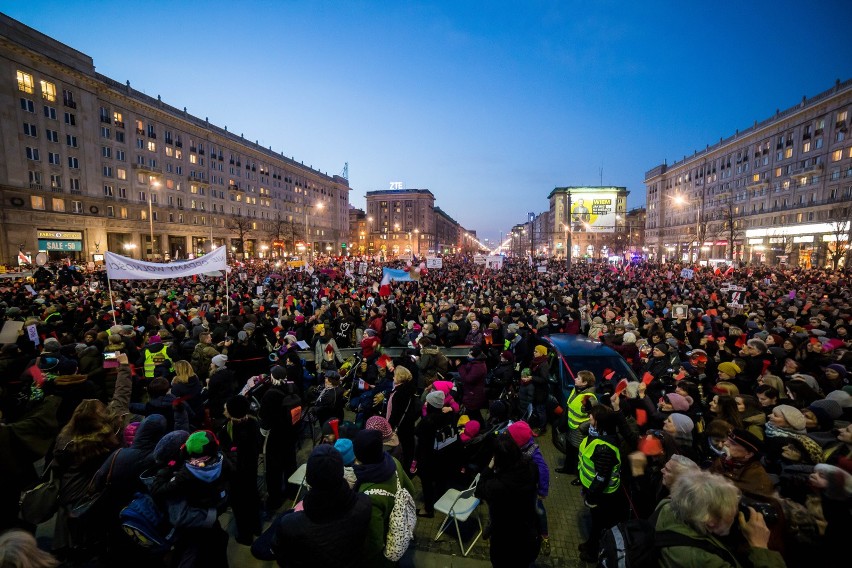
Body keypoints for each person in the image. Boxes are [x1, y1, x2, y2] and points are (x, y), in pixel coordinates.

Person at [655, 469, 786, 568]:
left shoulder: (667, 505)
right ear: (710, 522)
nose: (736, 514)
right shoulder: (704, 560)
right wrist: (760, 546)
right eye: (732, 513)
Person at [270, 445, 372, 568]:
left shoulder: (290, 524)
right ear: (341, 472)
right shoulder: (364, 503)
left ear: (309, 478)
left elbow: (282, 558)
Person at [475, 432, 540, 568]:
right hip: (527, 533)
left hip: (504, 540)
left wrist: (489, 467)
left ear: (499, 458)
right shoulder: (531, 467)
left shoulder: (497, 486)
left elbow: (479, 490)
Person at [353, 429, 415, 567]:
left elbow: (374, 542)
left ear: (359, 456)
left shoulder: (369, 494)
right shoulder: (393, 462)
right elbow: (411, 490)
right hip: (399, 533)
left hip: (386, 545)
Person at [576, 404, 628, 563]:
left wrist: (590, 497)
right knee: (595, 522)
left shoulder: (604, 447)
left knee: (599, 524)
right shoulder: (596, 434)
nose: (589, 417)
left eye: (592, 416)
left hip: (602, 495)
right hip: (593, 489)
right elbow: (583, 427)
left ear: (599, 422)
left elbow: (601, 478)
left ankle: (593, 553)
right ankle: (590, 544)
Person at [507, 421, 551, 556]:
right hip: (520, 487)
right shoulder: (522, 444)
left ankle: (544, 536)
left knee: (539, 510)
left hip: (532, 491)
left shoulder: (533, 454)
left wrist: (542, 491)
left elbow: (544, 471)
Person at [556, 369, 596, 476]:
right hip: (571, 427)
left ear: (585, 383)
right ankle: (567, 468)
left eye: (578, 378)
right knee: (570, 452)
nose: (575, 379)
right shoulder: (576, 389)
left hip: (579, 432)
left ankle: (579, 475)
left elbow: (594, 417)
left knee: (579, 455)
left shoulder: (590, 398)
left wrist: (582, 427)